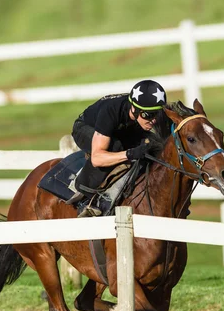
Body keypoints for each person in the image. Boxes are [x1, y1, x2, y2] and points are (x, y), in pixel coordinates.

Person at [69, 79, 167, 217]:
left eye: (157, 114)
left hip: (119, 129)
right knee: (115, 147)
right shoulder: (111, 111)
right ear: (134, 109)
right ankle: (87, 200)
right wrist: (130, 154)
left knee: (156, 144)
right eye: (148, 115)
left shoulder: (143, 112)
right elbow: (97, 158)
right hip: (85, 128)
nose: (154, 120)